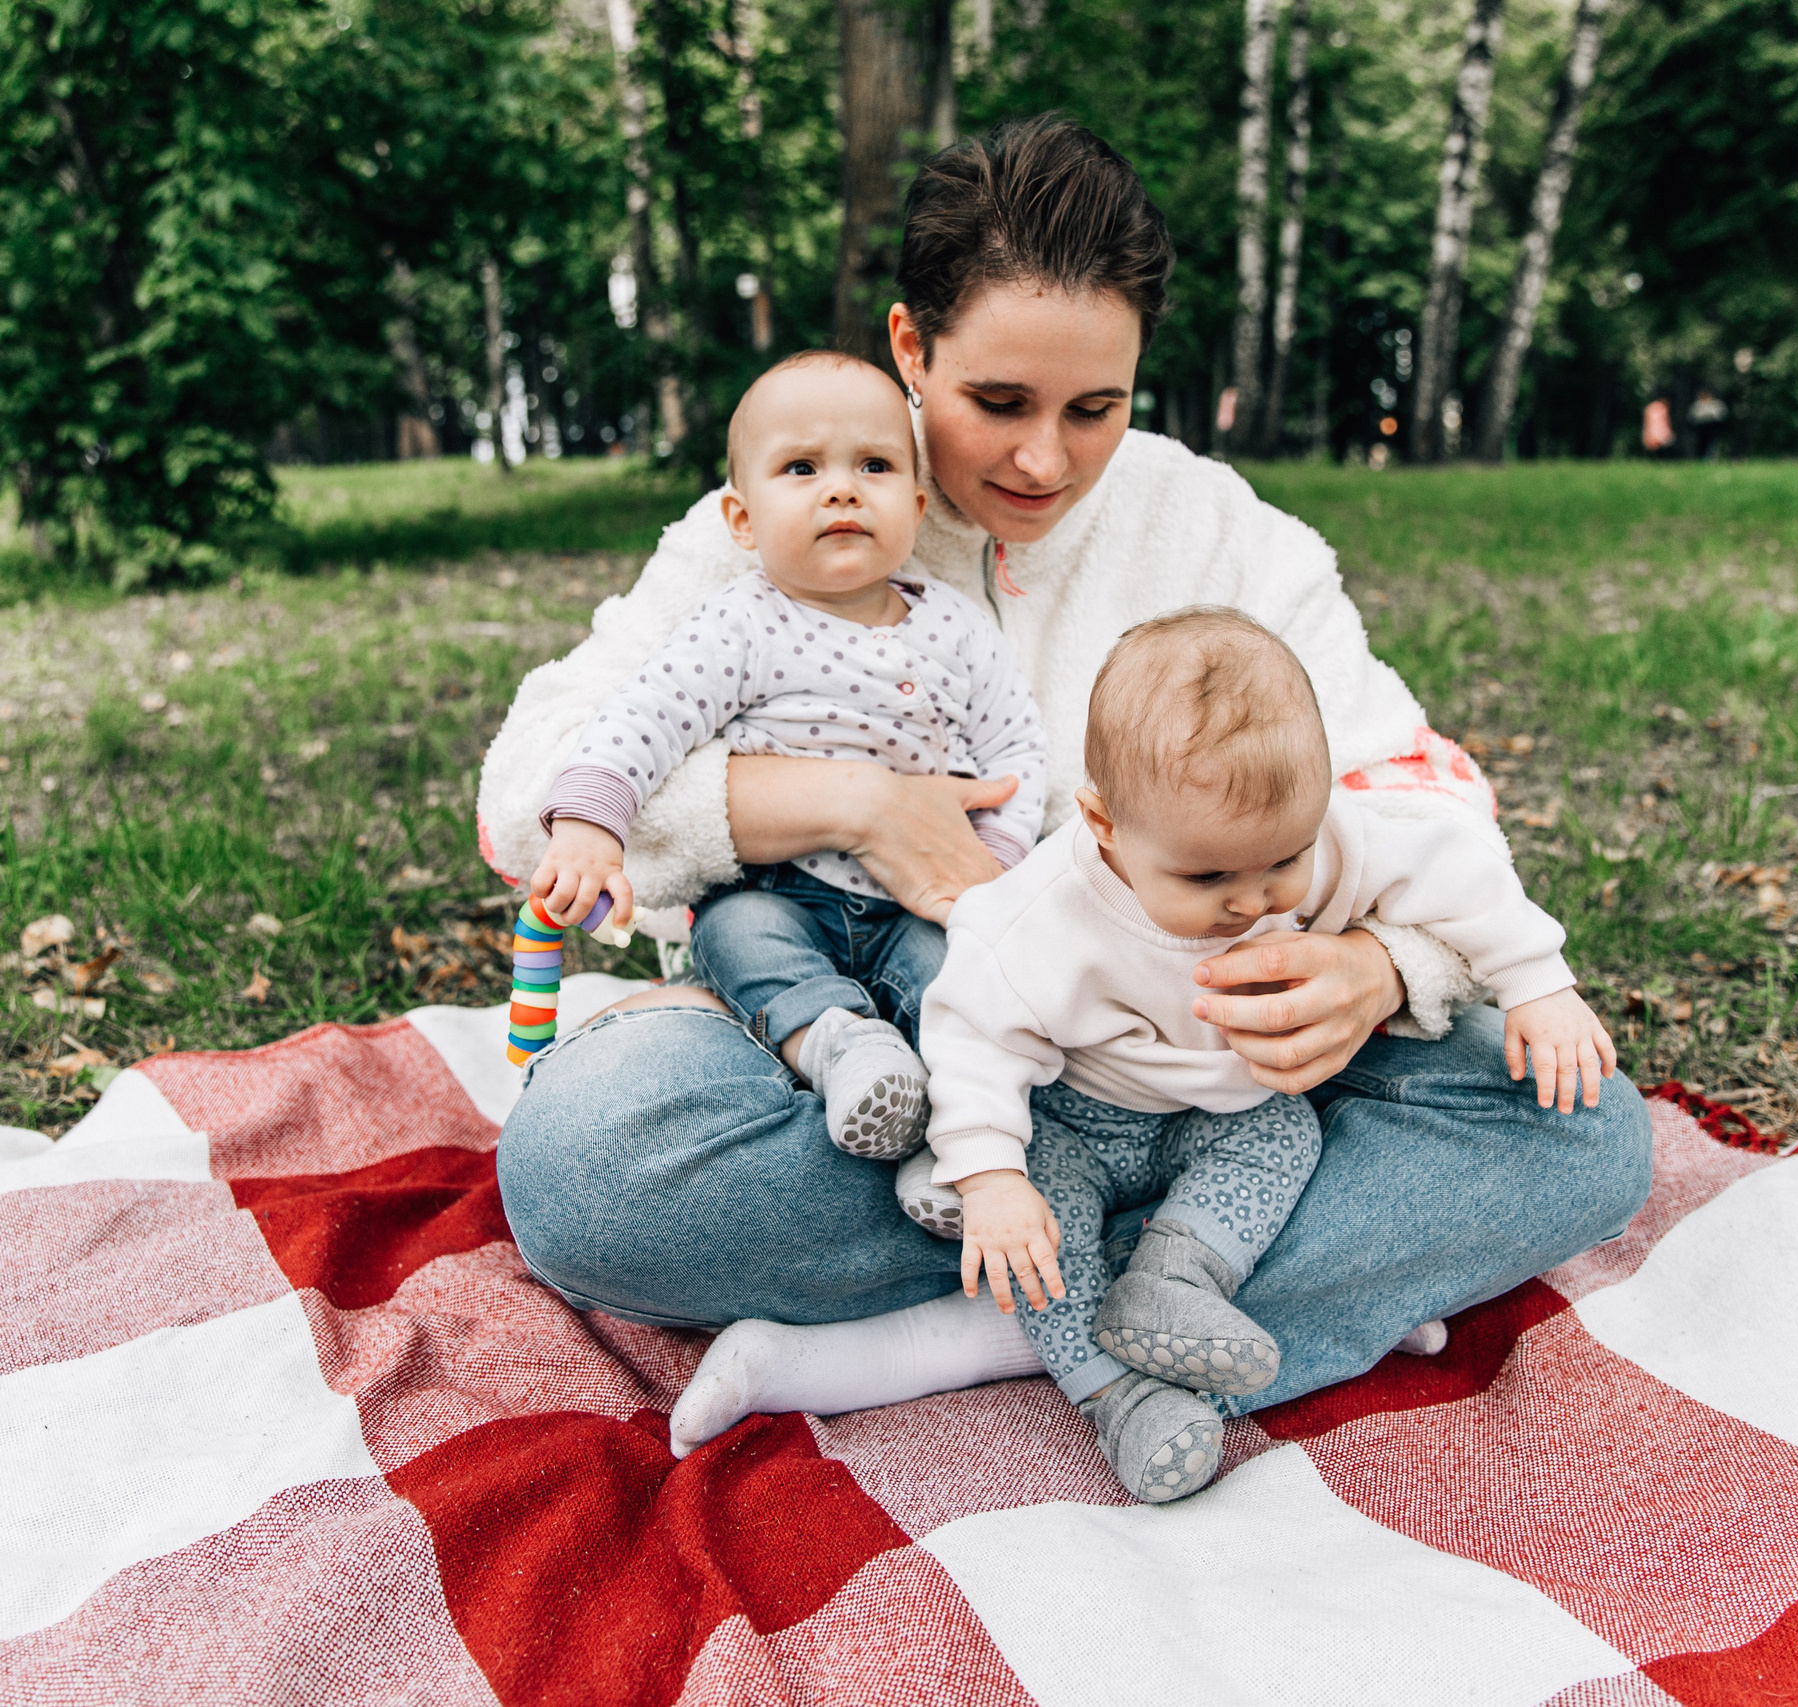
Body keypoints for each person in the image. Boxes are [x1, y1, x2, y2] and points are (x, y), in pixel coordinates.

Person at [477, 115, 1652, 1471]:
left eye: (1095, 408)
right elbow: (529, 788)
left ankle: (989, 1328)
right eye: (999, 404)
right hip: (898, 1061)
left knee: (1586, 1131)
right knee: (582, 1171)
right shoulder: (797, 510)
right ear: (911, 349)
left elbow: (1421, 791)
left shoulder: (1218, 531)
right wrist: (851, 807)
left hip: (1217, 1075)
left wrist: (1383, 967)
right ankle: (1268, 1284)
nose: (1045, 460)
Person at [915, 609, 1618, 1502]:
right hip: (1077, 1118)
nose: (1252, 900)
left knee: (1285, 1134)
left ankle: (1172, 1279)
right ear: (1104, 824)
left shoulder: (1325, 840)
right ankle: (1117, 1393)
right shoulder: (1039, 918)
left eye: (1283, 860)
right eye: (1207, 879)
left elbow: (1453, 861)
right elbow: (971, 1032)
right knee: (1036, 1230)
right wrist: (986, 1175)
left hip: (1227, 1112)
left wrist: (1537, 982)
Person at [525, 350, 1045, 1160]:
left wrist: (990, 870)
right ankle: (842, 1050)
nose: (841, 488)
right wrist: (592, 822)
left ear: (913, 504)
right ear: (742, 520)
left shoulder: (954, 627)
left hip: (920, 903)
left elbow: (1017, 750)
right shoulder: (740, 625)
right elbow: (646, 716)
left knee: (967, 990)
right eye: (801, 467)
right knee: (733, 934)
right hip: (784, 895)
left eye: (872, 464)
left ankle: (957, 1151)